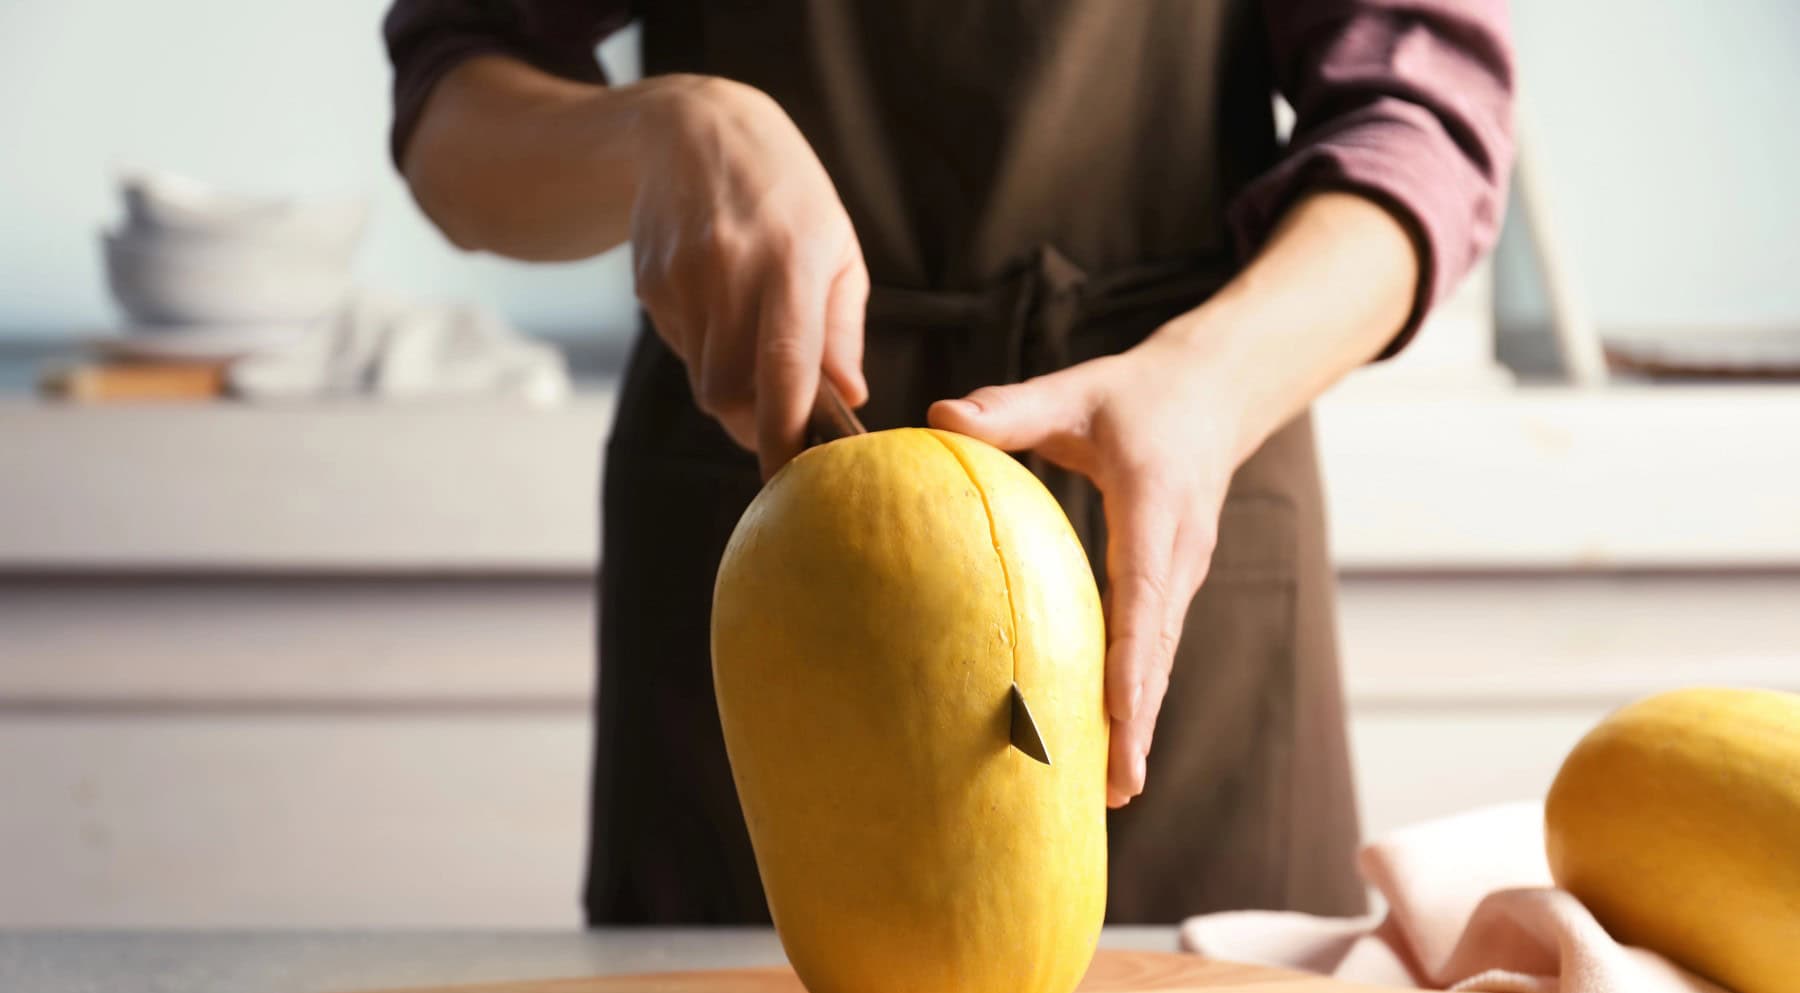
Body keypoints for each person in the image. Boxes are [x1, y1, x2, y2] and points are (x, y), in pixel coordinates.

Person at [384, 1, 1513, 924]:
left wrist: (1210, 385)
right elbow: (454, 89)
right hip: (767, 461)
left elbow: (1426, 114)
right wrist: (664, 133)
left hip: (1176, 437)